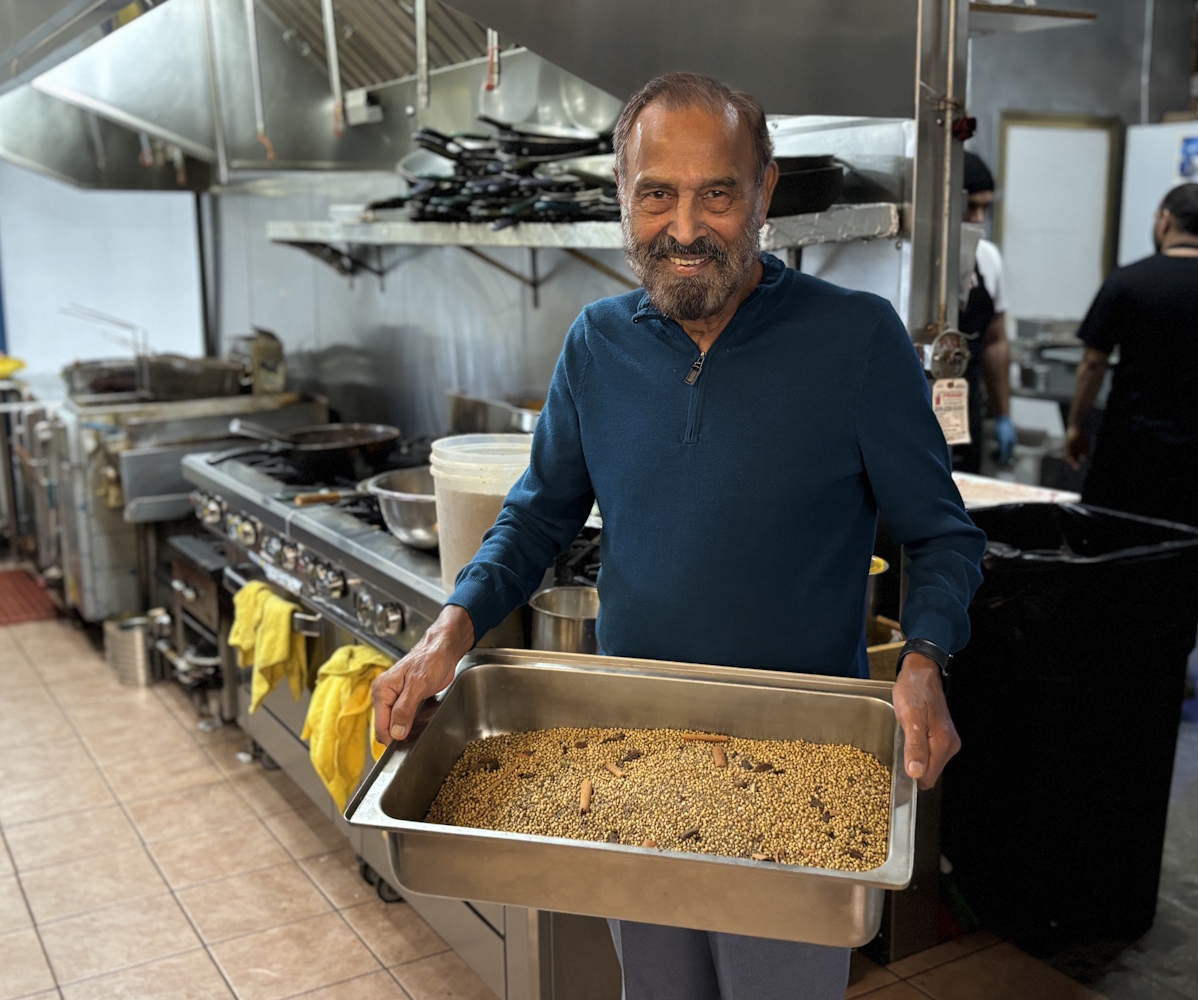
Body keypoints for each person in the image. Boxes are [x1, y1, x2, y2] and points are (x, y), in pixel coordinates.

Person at [372, 72, 986, 1000]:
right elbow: (538, 513)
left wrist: (926, 657)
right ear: (623, 196)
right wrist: (450, 625)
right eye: (656, 193)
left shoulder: (855, 341)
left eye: (718, 193)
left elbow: (943, 537)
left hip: (798, 763)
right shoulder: (595, 344)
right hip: (630, 755)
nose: (685, 228)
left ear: (766, 192)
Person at [1063, 182, 1198, 539]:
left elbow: (1093, 364)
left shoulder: (1126, 281)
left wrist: (1075, 425)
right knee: (1183, 560)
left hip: (1128, 448)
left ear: (1164, 220)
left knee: (1114, 552)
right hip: (1197, 451)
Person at [951, 152, 1017, 473]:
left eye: (985, 208)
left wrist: (1003, 413)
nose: (978, 219)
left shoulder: (987, 256)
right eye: (971, 207)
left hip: (965, 407)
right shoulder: (913, 257)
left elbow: (995, 340)